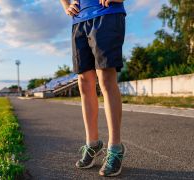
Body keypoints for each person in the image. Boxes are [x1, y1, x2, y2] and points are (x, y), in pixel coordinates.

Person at [59, 0, 126, 177]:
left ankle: (115, 148)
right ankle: (93, 143)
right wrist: (66, 5)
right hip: (79, 20)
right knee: (84, 82)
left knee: (105, 78)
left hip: (106, 13)